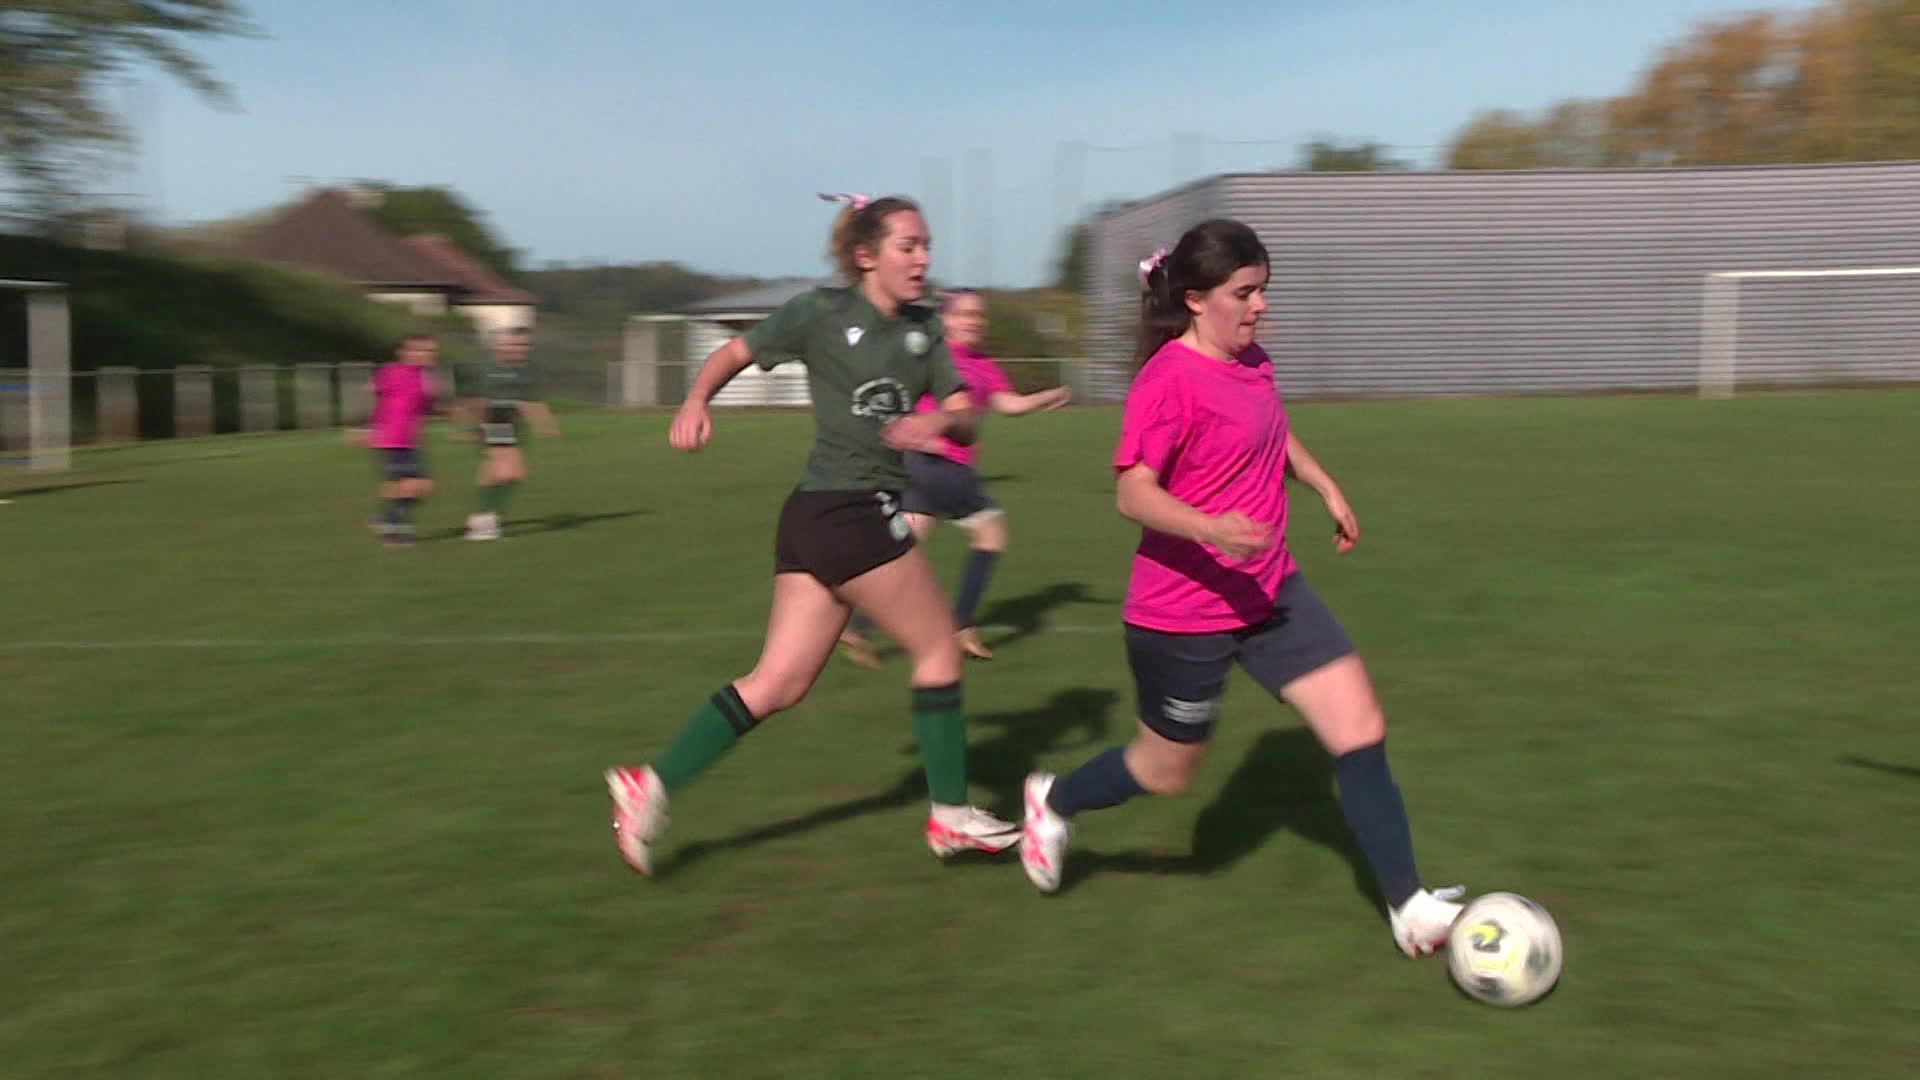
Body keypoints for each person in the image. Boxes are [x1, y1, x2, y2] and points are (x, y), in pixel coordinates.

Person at [1017, 219, 1465, 958]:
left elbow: (1270, 429)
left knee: (1360, 726)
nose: (1260, 308)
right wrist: (1210, 528)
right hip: (1182, 612)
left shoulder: (1251, 362)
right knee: (1167, 772)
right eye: (1245, 293)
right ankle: (1055, 800)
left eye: (1263, 292)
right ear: (1195, 299)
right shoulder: (1166, 380)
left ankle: (1408, 905)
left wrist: (1323, 485)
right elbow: (1133, 493)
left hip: (1270, 591)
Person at [602, 193, 1020, 878]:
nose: (922, 258)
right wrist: (695, 399)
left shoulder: (926, 328)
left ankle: (650, 784)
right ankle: (950, 820)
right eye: (907, 246)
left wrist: (938, 426)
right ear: (866, 256)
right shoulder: (819, 313)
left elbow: (965, 416)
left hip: (818, 517)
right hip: (844, 511)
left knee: (779, 683)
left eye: (926, 245)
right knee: (940, 647)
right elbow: (734, 351)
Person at [838, 287, 1072, 667]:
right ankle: (961, 625)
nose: (974, 321)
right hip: (942, 464)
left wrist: (1046, 397)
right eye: (965, 314)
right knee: (991, 534)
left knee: (904, 548)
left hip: (930, 469)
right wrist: (912, 434)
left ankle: (860, 624)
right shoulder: (931, 355)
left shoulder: (982, 363)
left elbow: (1007, 404)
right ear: (945, 320)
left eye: (978, 315)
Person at [459, 326, 559, 541]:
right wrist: (472, 427)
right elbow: (470, 401)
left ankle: (483, 518)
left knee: (511, 473)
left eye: (524, 345)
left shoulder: (523, 369)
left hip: (510, 424)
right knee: (505, 473)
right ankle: (484, 522)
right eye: (515, 345)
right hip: (492, 421)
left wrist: (543, 421)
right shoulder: (487, 369)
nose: (521, 349)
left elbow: (530, 399)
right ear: (499, 346)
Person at [365, 333, 440, 547]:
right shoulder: (391, 372)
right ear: (404, 353)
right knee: (409, 485)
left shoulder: (427, 380)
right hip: (389, 440)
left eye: (431, 351)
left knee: (424, 487)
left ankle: (385, 519)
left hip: (411, 441)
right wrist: (364, 427)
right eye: (421, 350)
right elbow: (377, 396)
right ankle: (392, 533)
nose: (428, 355)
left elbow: (425, 409)